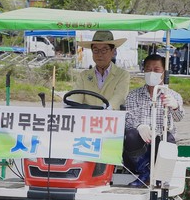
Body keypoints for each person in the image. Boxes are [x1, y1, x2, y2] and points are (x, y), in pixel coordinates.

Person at [123, 54, 184, 187]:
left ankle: (156, 175)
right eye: (148, 69)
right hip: (141, 144)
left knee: (167, 137)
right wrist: (140, 126)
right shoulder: (133, 95)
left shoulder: (173, 95)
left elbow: (179, 117)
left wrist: (175, 106)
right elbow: (128, 118)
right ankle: (146, 172)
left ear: (164, 73)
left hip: (160, 141)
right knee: (130, 134)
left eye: (156, 70)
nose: (151, 73)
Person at [73, 31, 130, 110]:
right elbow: (75, 98)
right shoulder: (84, 76)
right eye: (96, 50)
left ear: (113, 51)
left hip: (111, 119)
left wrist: (104, 110)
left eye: (104, 50)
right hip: (87, 119)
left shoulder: (122, 75)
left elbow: (119, 97)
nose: (99, 54)